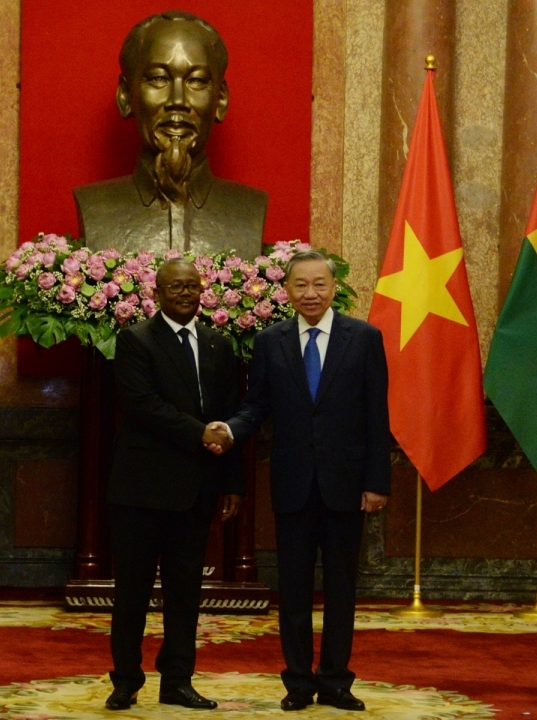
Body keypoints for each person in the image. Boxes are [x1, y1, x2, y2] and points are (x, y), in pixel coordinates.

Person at [205, 250, 390, 712]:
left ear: (334, 288)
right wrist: (229, 430)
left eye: (319, 284)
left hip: (347, 485)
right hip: (292, 485)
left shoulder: (364, 338)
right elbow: (256, 406)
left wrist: (377, 482)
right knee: (292, 590)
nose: (311, 294)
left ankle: (336, 682)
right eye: (301, 285)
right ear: (286, 291)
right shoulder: (271, 341)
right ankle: (298, 684)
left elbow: (376, 415)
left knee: (343, 588)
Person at [105, 257, 244, 711]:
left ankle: (177, 680)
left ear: (203, 290)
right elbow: (142, 405)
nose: (184, 293)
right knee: (133, 592)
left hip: (197, 490)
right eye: (175, 287)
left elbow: (229, 414)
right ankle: (125, 679)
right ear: (157, 293)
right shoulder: (135, 339)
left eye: (191, 286)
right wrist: (197, 432)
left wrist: (232, 483)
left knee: (185, 593)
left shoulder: (219, 344)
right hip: (142, 490)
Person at [74, 10, 267, 258]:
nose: (178, 100)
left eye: (196, 81)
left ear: (220, 99)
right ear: (125, 95)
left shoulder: (249, 208)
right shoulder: (95, 206)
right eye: (158, 79)